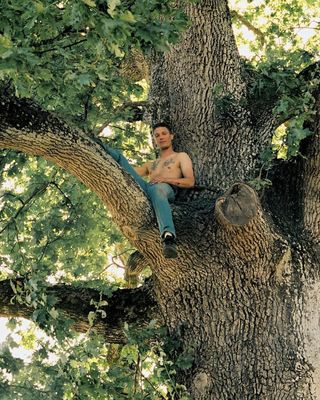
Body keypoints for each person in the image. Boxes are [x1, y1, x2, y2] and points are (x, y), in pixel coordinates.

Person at [99, 122, 195, 258]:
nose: (161, 137)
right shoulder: (150, 164)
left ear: (171, 136)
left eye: (164, 134)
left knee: (158, 190)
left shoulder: (180, 156)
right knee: (120, 158)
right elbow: (130, 172)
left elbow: (190, 181)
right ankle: (97, 144)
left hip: (166, 189)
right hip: (147, 188)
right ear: (155, 140)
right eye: (157, 135)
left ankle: (168, 238)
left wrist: (165, 180)